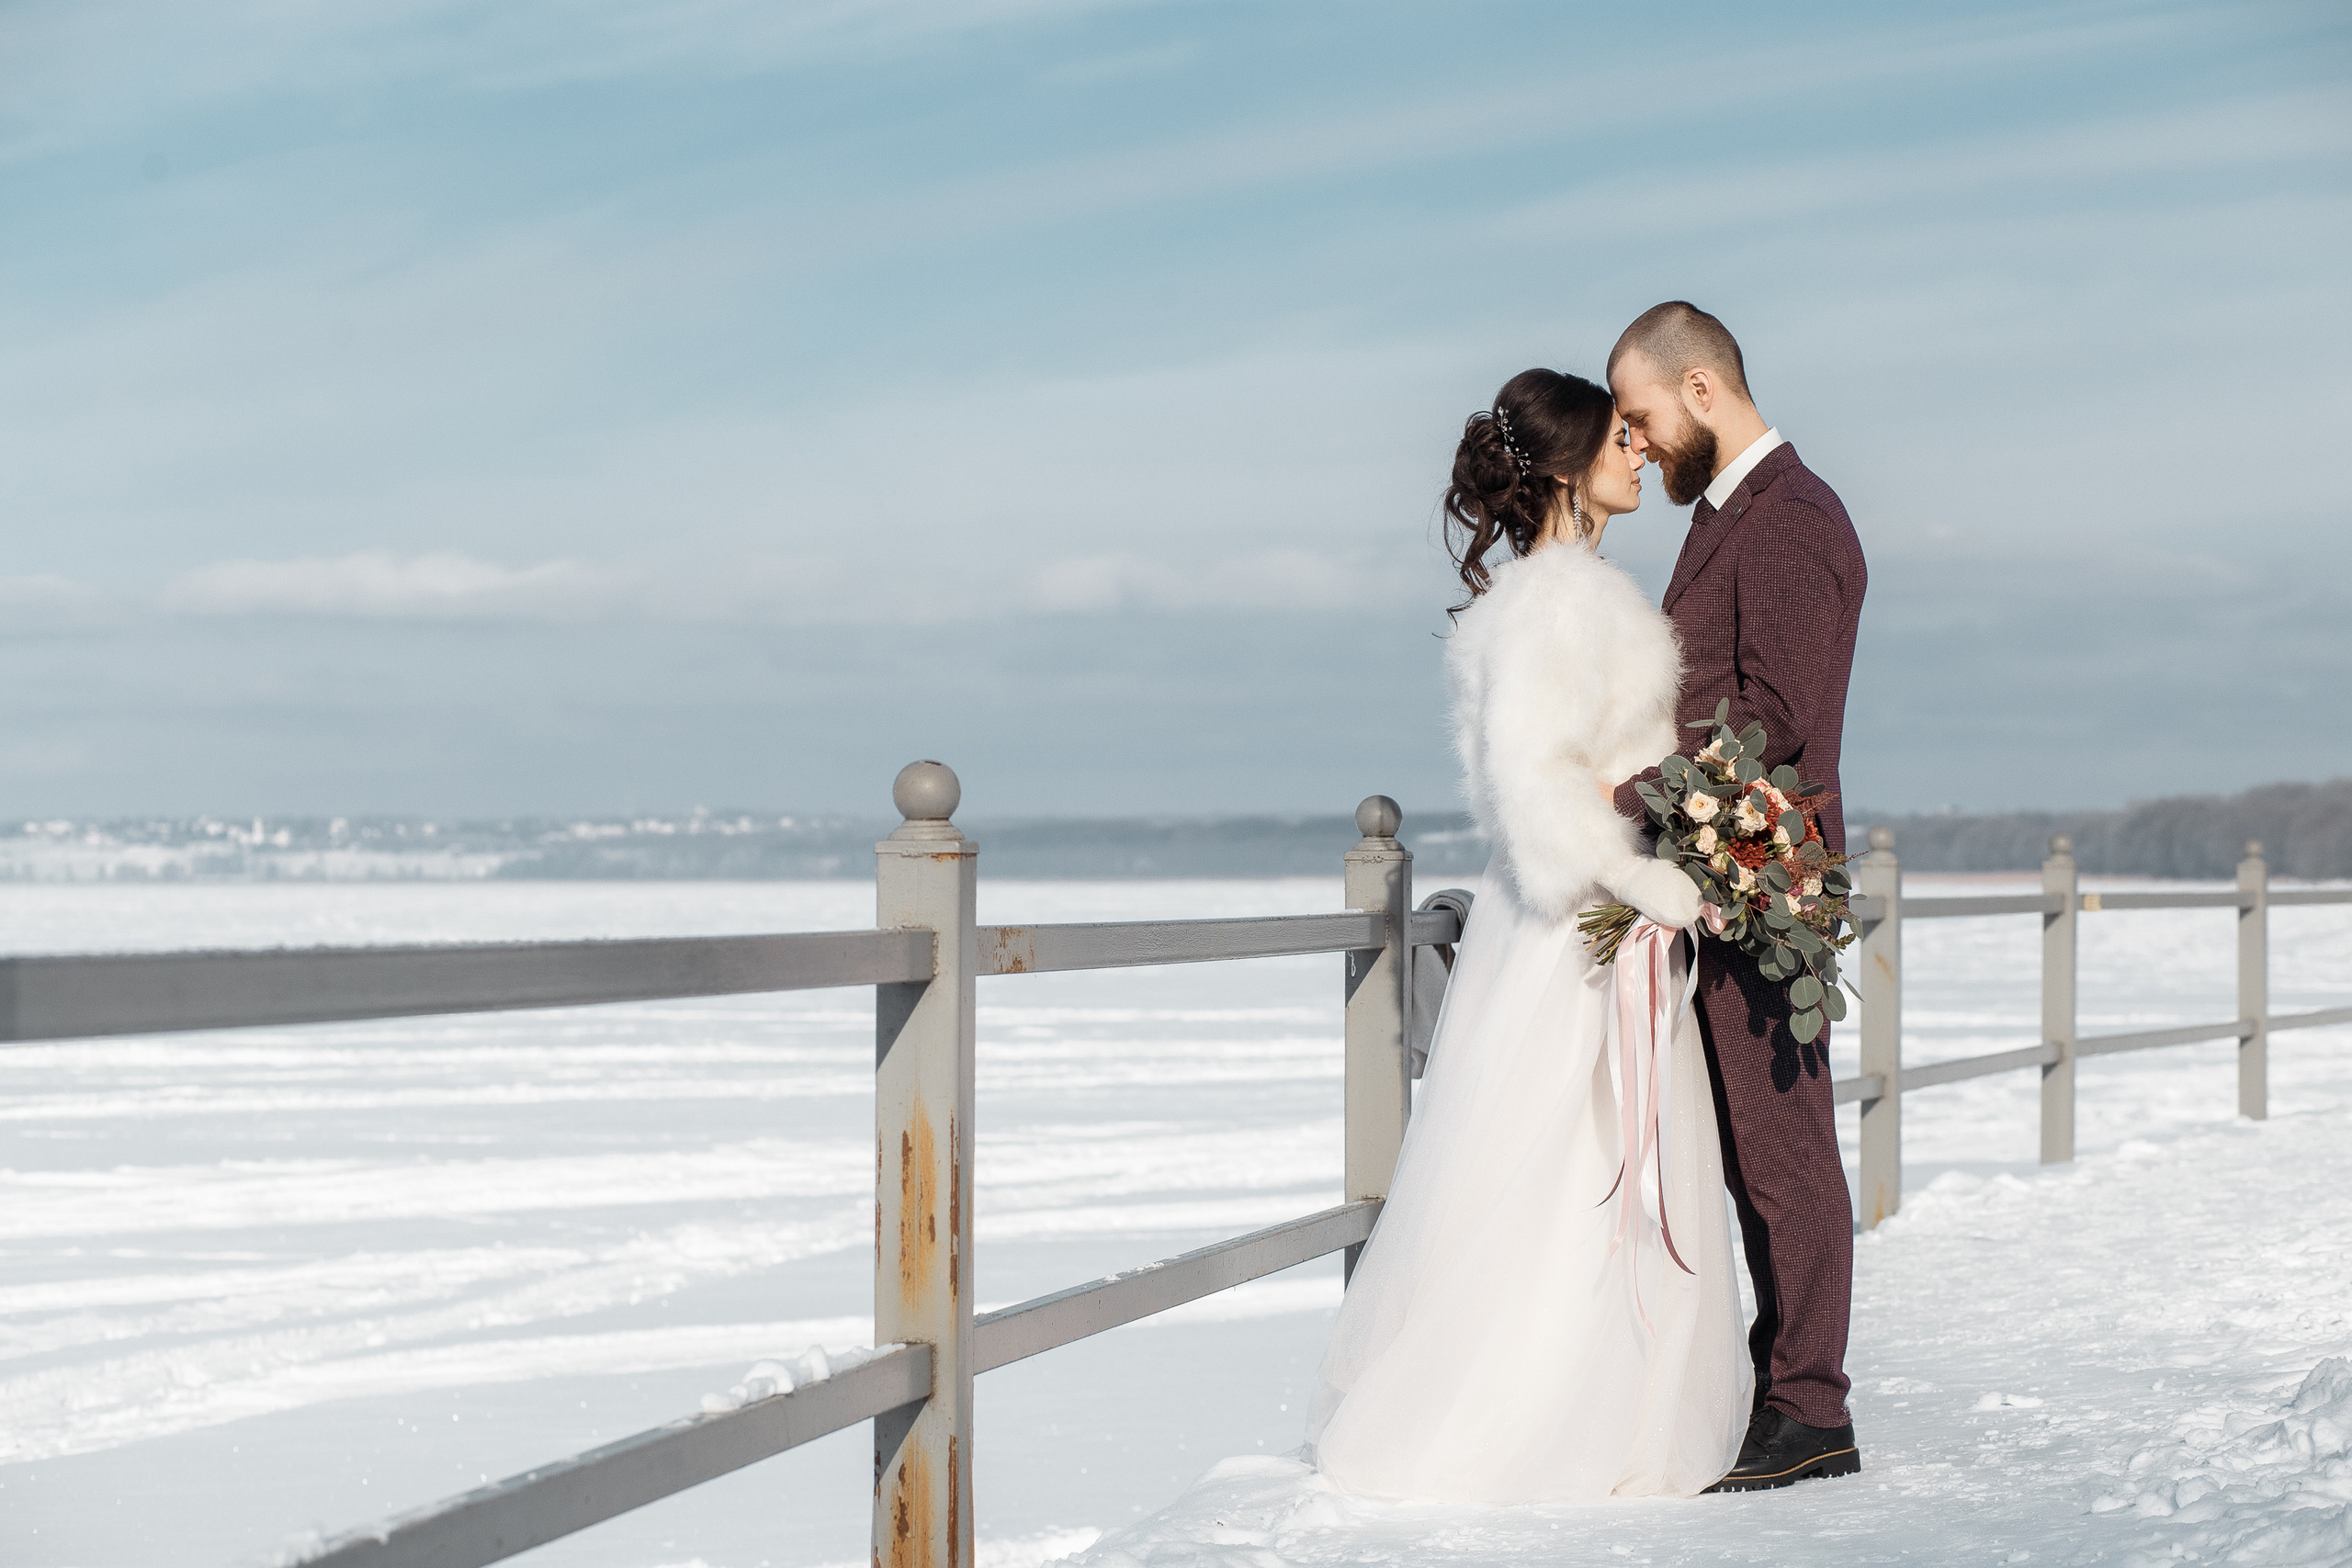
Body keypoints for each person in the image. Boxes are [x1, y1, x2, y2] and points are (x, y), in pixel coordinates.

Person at [1305, 368, 1749, 1503]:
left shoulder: (1546, 594)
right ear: (1562, 470)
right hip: (1573, 919)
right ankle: (1550, 1417)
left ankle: (1587, 1397)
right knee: (1568, 1162)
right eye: (1617, 440)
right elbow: (1530, 777)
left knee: (1561, 1162)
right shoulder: (1559, 601)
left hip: (1562, 910)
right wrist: (1640, 881)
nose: (1637, 452)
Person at [1608, 301, 1869, 1491]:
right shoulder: (1730, 517)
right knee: (1747, 1158)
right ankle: (1778, 1390)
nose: (1637, 442)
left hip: (1766, 883)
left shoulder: (1790, 518)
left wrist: (1628, 784)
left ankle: (1812, 1408)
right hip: (1722, 876)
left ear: (1701, 388)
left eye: (1642, 415)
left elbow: (1776, 716)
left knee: (1784, 1155)